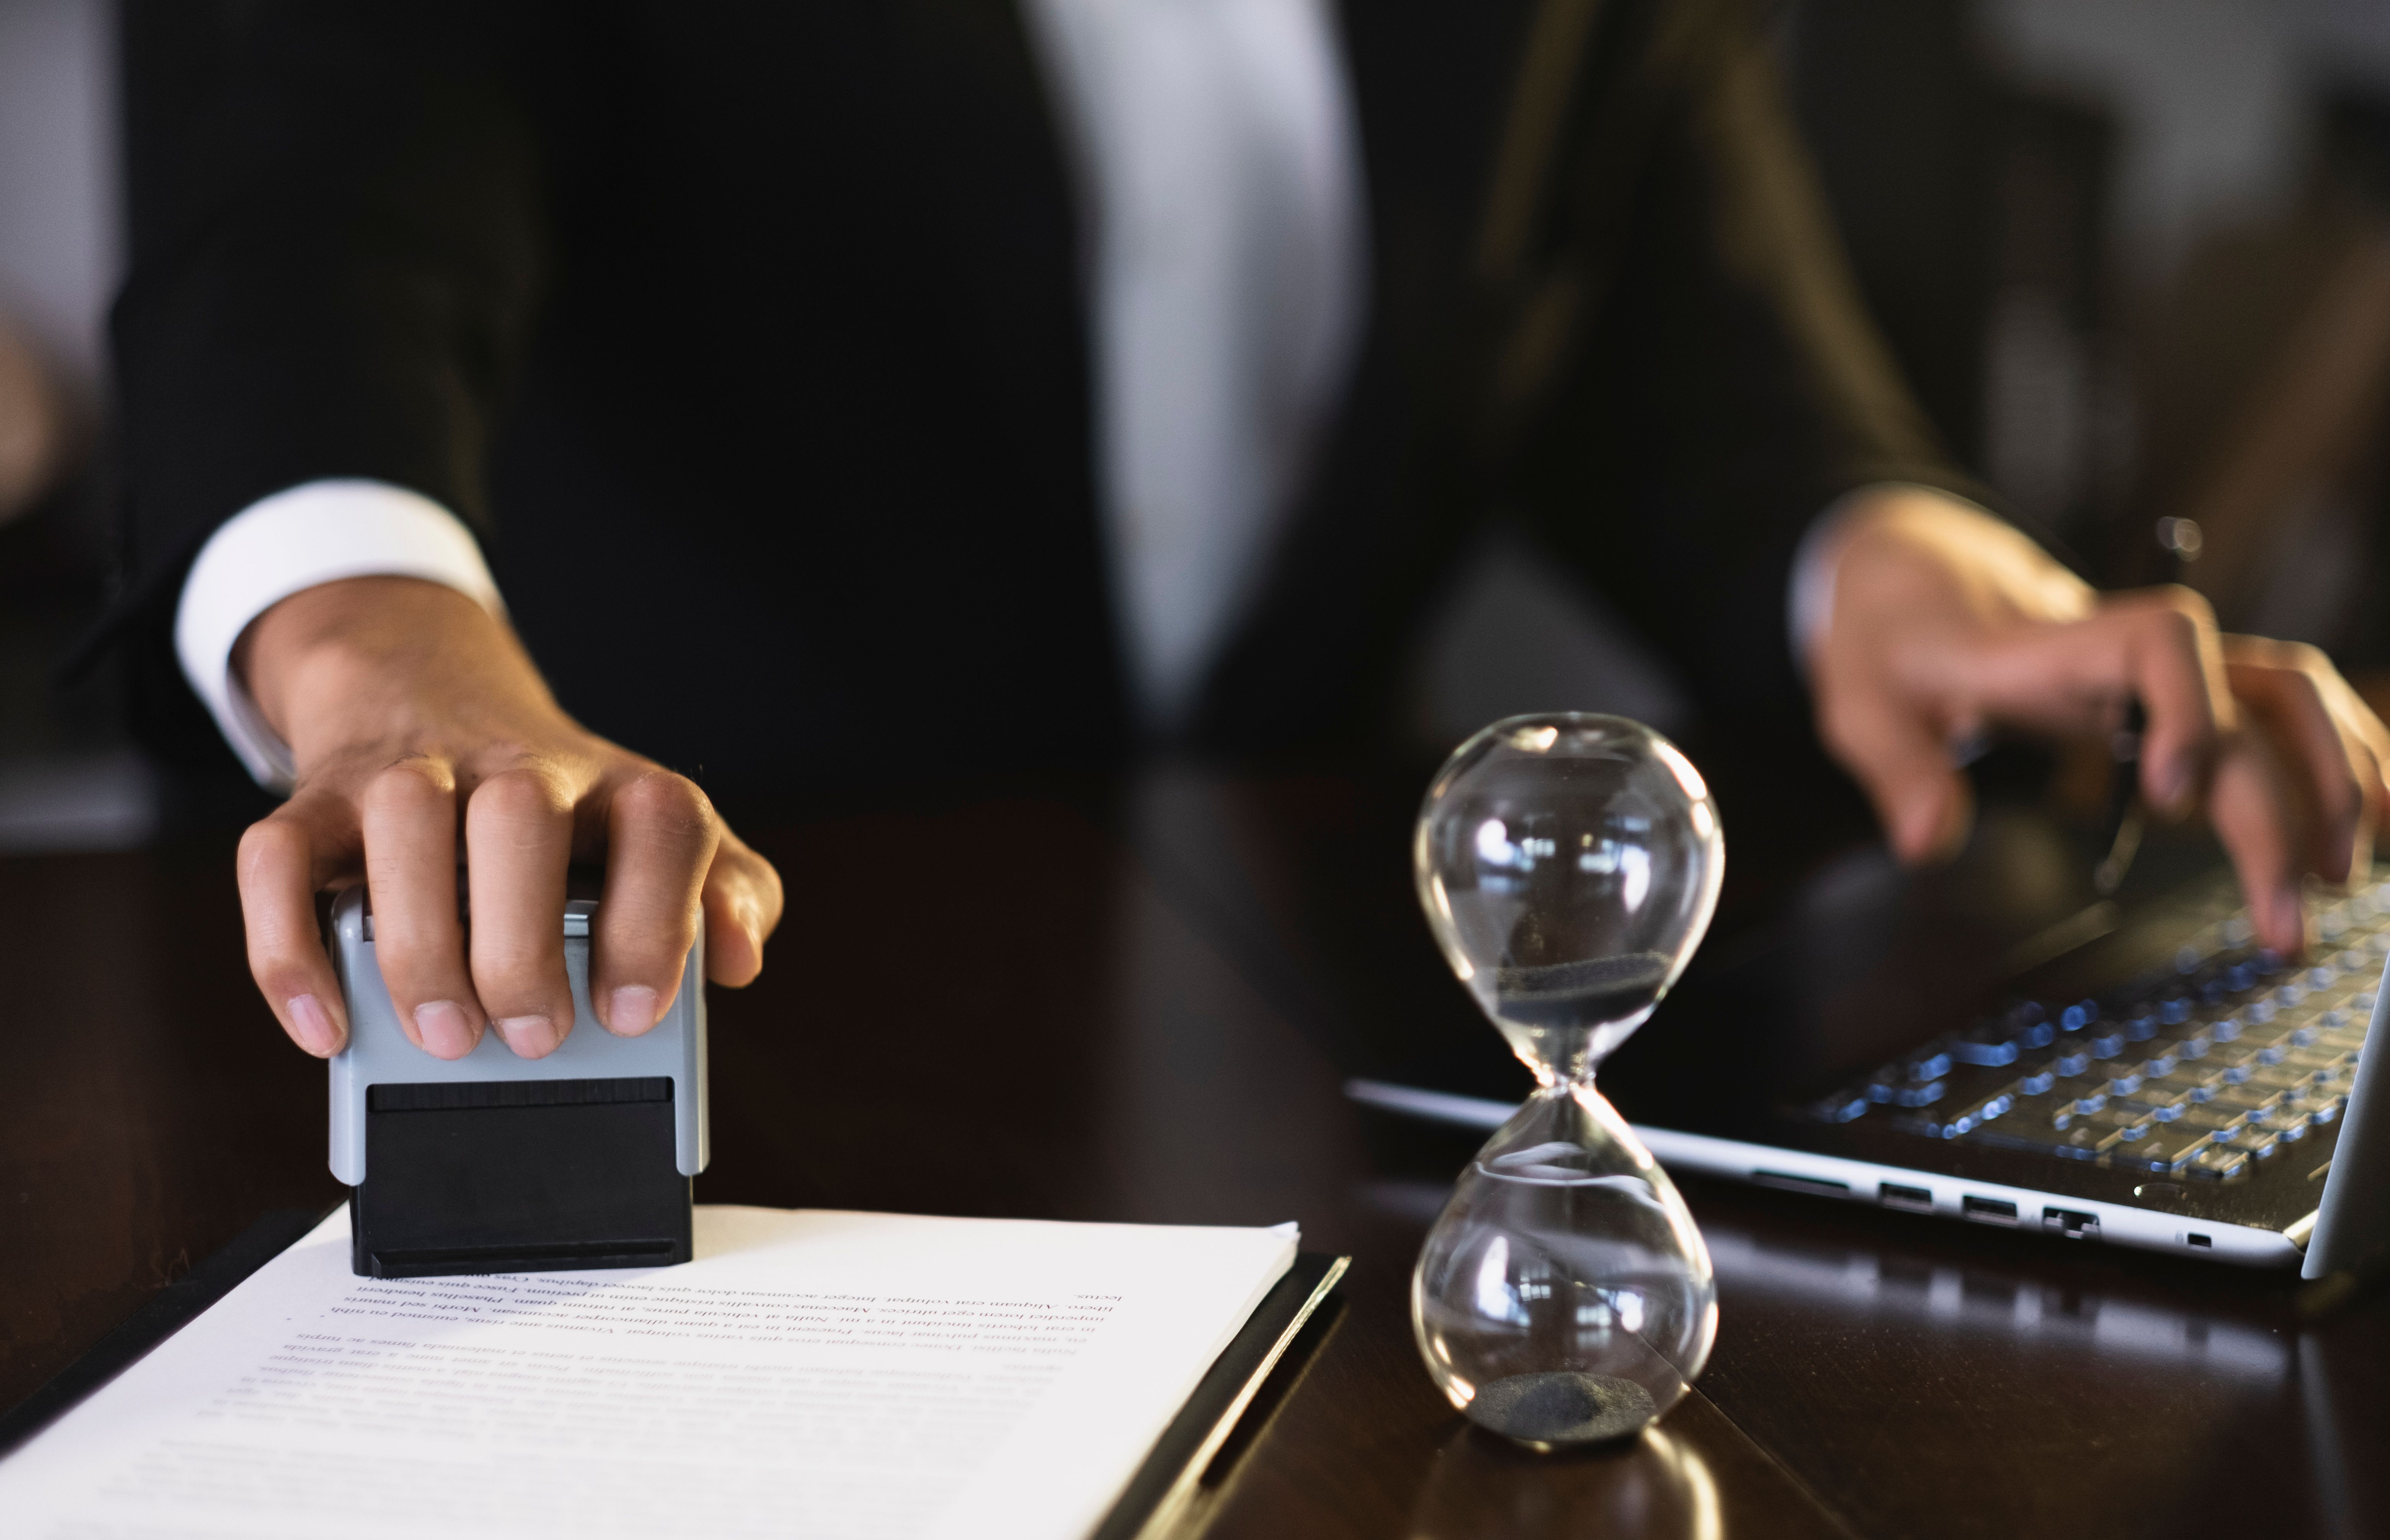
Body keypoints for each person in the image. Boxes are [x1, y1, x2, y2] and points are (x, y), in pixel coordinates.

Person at [107, 0, 2390, 1069]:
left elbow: (1676, 279)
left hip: (1290, 1004)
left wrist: (1885, 547)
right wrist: (389, 671)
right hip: (598, 990)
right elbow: (302, 223)